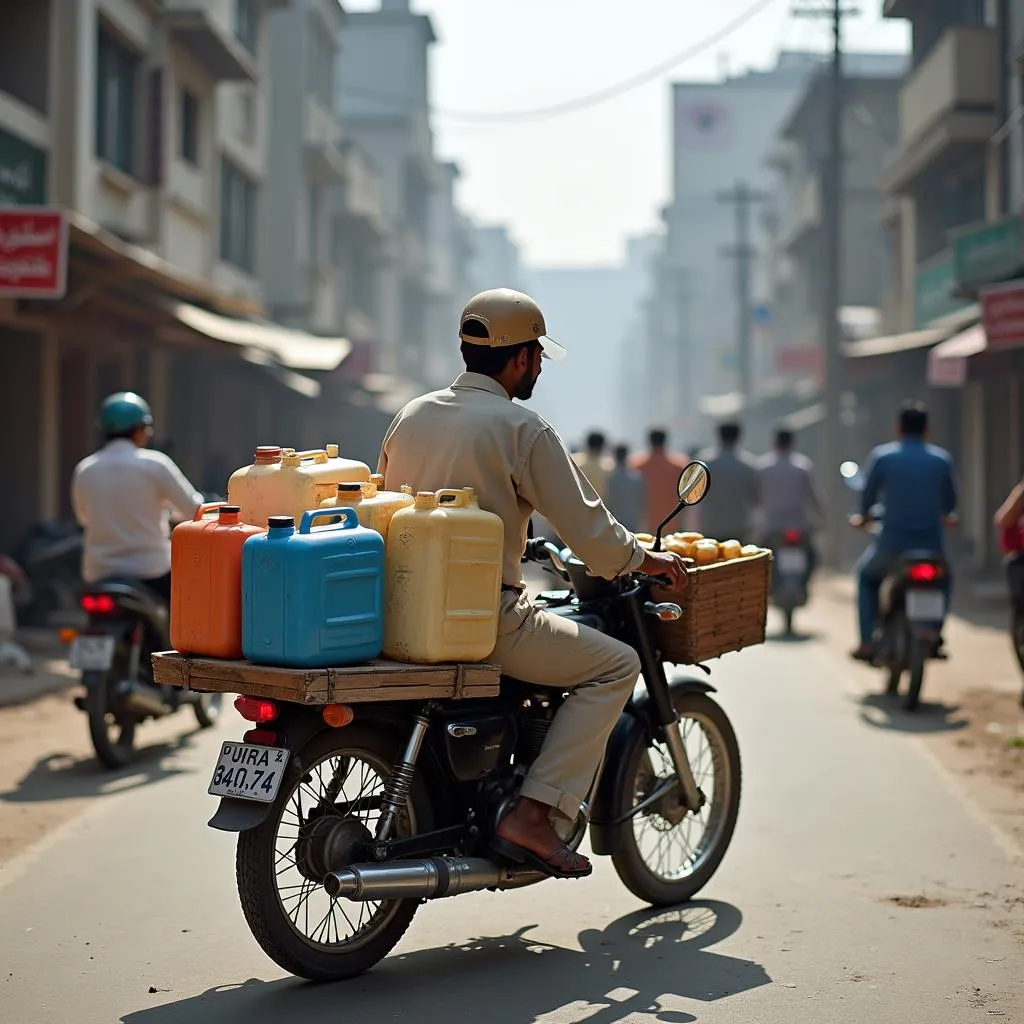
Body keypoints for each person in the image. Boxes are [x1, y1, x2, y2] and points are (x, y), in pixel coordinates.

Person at [378, 287, 689, 880]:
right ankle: (534, 812)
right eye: (538, 357)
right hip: (481, 623)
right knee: (616, 666)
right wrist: (644, 560)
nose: (540, 368)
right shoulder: (521, 428)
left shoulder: (411, 414)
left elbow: (387, 500)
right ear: (519, 358)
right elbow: (592, 534)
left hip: (395, 615)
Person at [850, 401, 957, 662]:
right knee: (945, 581)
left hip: (891, 545)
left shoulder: (883, 457)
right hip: (930, 547)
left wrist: (863, 517)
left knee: (866, 577)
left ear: (898, 429)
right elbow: (951, 503)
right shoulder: (941, 460)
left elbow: (868, 497)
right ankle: (934, 632)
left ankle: (866, 641)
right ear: (927, 430)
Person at [71, 392, 202, 603]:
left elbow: (84, 519)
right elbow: (194, 510)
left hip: (99, 573)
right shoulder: (155, 465)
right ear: (138, 430)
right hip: (151, 571)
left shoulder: (85, 469)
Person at [758, 427, 823, 563]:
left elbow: (756, 496)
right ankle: (805, 582)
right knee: (812, 558)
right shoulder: (802, 465)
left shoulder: (763, 466)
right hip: (799, 524)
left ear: (774, 442)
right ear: (792, 443)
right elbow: (812, 495)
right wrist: (820, 518)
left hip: (772, 526)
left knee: (764, 559)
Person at [698, 422, 760, 542]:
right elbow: (755, 499)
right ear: (739, 437)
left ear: (718, 436)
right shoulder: (749, 464)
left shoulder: (705, 462)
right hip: (739, 527)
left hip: (711, 526)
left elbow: (696, 497)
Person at [629, 428, 688, 533]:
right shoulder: (679, 465)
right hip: (672, 521)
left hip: (646, 523)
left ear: (649, 442)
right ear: (666, 441)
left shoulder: (637, 465)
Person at [604, 444, 645, 532]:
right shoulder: (636, 476)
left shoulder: (610, 477)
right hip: (632, 521)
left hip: (616, 522)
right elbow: (642, 500)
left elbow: (608, 501)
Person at [571, 431, 613, 499]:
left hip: (577, 504)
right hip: (599, 506)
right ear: (603, 446)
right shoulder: (609, 467)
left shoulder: (574, 461)